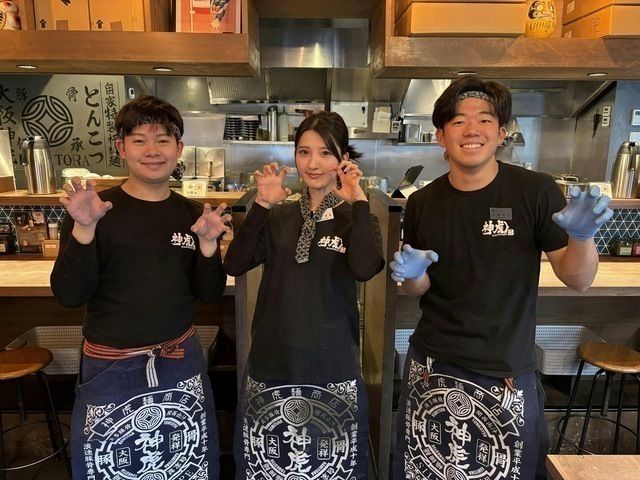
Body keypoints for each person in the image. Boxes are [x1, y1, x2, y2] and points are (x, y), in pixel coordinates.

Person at [390, 77, 613, 480]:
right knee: (426, 470)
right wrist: (413, 276)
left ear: (502, 132)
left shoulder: (535, 191)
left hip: (505, 367)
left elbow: (578, 279)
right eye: (458, 121)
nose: (471, 130)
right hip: (433, 363)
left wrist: (582, 237)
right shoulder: (423, 202)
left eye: (485, 119)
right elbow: (417, 289)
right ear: (441, 136)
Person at [50, 95, 230, 480]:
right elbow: (69, 296)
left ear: (179, 148)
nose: (152, 150)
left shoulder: (191, 214)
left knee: (187, 465)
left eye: (163, 140)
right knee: (109, 467)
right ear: (121, 148)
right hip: (110, 366)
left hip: (178, 360)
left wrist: (208, 247)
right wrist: (84, 229)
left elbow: (210, 293)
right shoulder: (95, 210)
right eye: (139, 140)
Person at [224, 111, 385, 480]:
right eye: (304, 152)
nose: (313, 164)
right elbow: (235, 263)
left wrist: (358, 200)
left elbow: (364, 269)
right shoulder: (279, 215)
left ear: (343, 158)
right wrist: (262, 205)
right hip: (273, 357)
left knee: (334, 464)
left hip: (332, 361)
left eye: (326, 153)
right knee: (268, 463)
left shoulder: (357, 218)